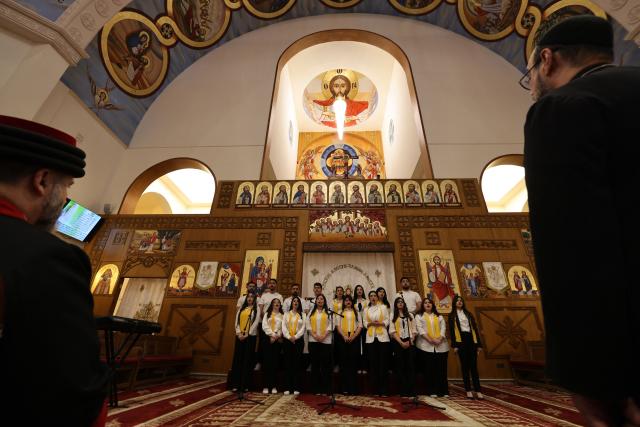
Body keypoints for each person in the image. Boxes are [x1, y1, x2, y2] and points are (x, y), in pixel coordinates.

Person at [522, 15, 640, 426]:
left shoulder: (563, 108)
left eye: (532, 71)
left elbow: (570, 245)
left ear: (548, 60)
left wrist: (586, 374)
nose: (534, 81)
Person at [0, 116, 109, 425]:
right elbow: (73, 390)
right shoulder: (47, 257)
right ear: (43, 181)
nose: (64, 200)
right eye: (67, 188)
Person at [449, 295, 483, 399]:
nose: (459, 302)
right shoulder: (452, 315)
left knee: (473, 366)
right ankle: (468, 389)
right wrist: (455, 345)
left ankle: (478, 390)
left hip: (471, 340)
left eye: (461, 301)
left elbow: (475, 329)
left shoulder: (468, 314)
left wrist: (478, 345)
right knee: (465, 366)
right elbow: (451, 331)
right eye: (457, 301)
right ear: (454, 303)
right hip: (461, 341)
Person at [415, 297, 449, 397]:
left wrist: (439, 339)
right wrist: (431, 340)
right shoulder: (419, 316)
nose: (427, 304)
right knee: (429, 370)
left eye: (429, 302)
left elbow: (443, 328)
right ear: (423, 305)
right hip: (426, 346)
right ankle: (432, 390)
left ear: (433, 305)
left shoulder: (439, 316)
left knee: (442, 369)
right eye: (425, 303)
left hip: (441, 345)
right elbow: (420, 329)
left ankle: (443, 391)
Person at [230, 292, 260, 392]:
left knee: (247, 360)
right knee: (238, 359)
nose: (250, 299)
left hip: (250, 337)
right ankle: (235, 384)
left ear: (254, 299)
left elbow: (255, 322)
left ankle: (245, 384)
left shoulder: (256, 309)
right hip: (240, 337)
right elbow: (236, 322)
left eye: (252, 297)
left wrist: (248, 333)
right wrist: (238, 333)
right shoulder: (242, 309)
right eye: (248, 297)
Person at [363, 290, 390, 396]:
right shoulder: (366, 309)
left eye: (375, 296)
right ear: (369, 298)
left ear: (377, 298)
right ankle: (375, 390)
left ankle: (384, 390)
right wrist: (369, 324)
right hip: (370, 338)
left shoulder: (383, 307)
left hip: (382, 337)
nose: (373, 297)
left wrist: (381, 323)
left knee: (383, 364)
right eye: (371, 296)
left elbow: (387, 320)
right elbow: (364, 322)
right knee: (373, 364)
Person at [389, 297, 417, 397]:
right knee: (400, 366)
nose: (400, 303)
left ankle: (412, 390)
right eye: (398, 302)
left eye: (402, 302)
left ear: (404, 304)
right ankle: (403, 390)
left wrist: (411, 341)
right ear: (396, 305)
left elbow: (414, 330)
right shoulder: (393, 315)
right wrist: (401, 342)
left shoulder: (410, 315)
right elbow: (392, 331)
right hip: (398, 342)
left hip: (410, 342)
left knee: (410, 366)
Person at [306, 294, 332, 395]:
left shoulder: (329, 312)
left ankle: (325, 389)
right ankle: (315, 389)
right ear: (315, 301)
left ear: (324, 301)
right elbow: (308, 325)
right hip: (314, 341)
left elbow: (331, 325)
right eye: (318, 299)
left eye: (322, 299)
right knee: (315, 366)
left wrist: (323, 336)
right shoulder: (311, 313)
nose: (320, 300)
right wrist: (315, 336)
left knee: (325, 366)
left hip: (326, 341)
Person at [337, 295, 362, 394]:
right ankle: (344, 388)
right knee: (343, 364)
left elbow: (360, 326)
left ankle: (353, 388)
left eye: (349, 300)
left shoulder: (356, 312)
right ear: (344, 302)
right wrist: (344, 336)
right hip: (343, 338)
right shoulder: (339, 312)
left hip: (354, 338)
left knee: (353, 364)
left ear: (352, 302)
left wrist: (353, 336)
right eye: (346, 300)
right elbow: (337, 326)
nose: (348, 302)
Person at [282, 296, 306, 395]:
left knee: (297, 364)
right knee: (288, 364)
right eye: (294, 301)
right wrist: (289, 336)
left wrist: (295, 337)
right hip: (288, 341)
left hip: (298, 341)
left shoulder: (303, 314)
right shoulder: (286, 314)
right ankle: (287, 387)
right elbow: (283, 326)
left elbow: (303, 327)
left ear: (299, 304)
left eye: (297, 301)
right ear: (291, 303)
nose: (295, 302)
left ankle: (296, 387)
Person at [261, 298, 283, 394]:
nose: (276, 304)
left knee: (275, 363)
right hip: (268, 339)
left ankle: (274, 386)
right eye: (275, 303)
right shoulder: (267, 314)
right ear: (272, 304)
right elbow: (264, 326)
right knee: (267, 363)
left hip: (277, 340)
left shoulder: (282, 315)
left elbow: (282, 327)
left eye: (278, 303)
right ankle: (266, 385)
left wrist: (276, 335)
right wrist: (272, 334)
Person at [353, 284, 369, 374]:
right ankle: (358, 366)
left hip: (365, 326)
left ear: (362, 291)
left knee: (365, 346)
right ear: (355, 291)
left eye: (361, 289)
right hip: (356, 326)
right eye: (357, 289)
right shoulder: (352, 301)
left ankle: (365, 366)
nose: (359, 291)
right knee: (356, 347)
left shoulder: (366, 301)